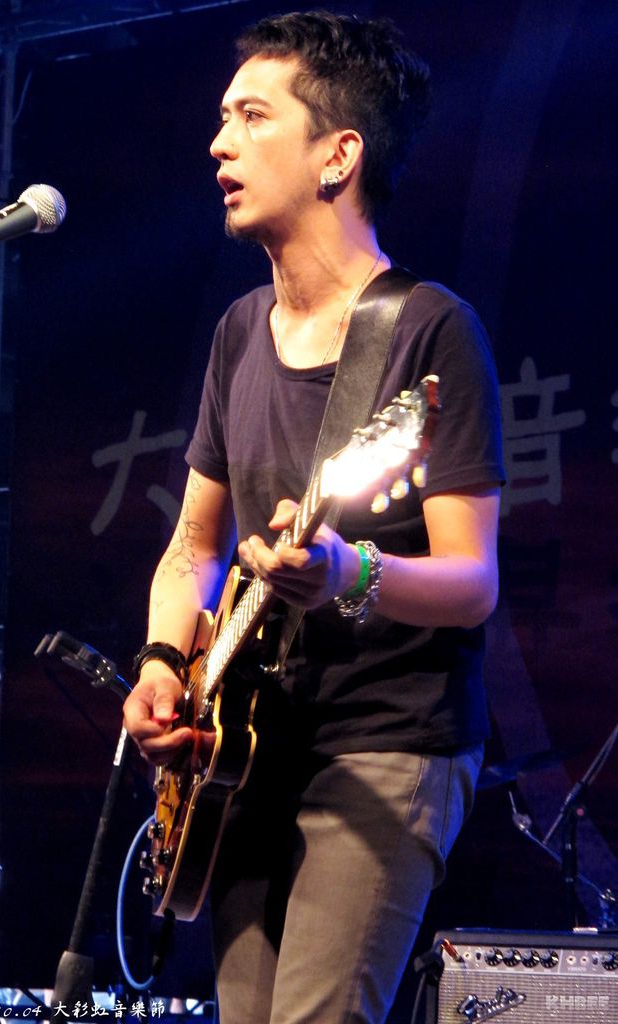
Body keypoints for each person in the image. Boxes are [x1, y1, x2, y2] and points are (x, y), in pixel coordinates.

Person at [123, 10, 504, 1024]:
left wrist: (350, 573)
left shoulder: (428, 329)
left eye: (252, 117)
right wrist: (162, 664)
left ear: (338, 156)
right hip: (247, 749)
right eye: (222, 118)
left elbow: (471, 582)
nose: (220, 143)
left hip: (386, 743)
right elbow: (192, 548)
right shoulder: (238, 331)